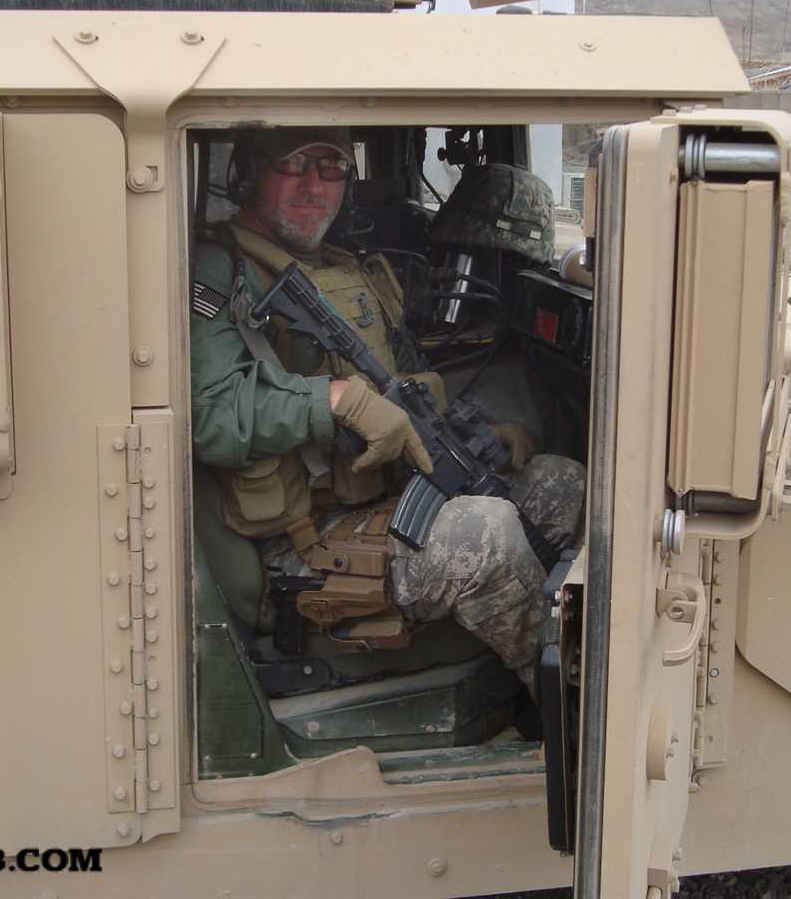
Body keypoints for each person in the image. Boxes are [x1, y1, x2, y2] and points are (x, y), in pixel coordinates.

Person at [190, 127, 584, 692]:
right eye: (293, 166)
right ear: (249, 175)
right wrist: (332, 401)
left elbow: (404, 384)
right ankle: (560, 702)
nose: (313, 186)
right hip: (297, 543)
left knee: (563, 485)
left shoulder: (353, 270)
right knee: (486, 534)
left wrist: (476, 438)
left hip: (381, 500)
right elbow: (210, 416)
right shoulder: (219, 269)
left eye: (330, 169)